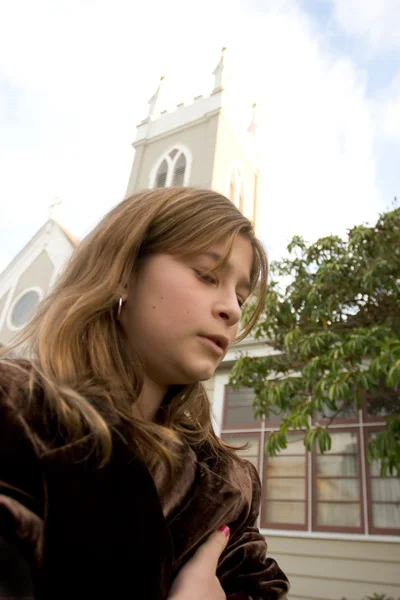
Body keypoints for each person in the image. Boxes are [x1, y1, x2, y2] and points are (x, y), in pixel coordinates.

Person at [0, 187, 290, 599]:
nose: (234, 309)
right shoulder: (17, 413)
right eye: (207, 275)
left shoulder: (227, 483)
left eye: (241, 296)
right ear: (123, 272)